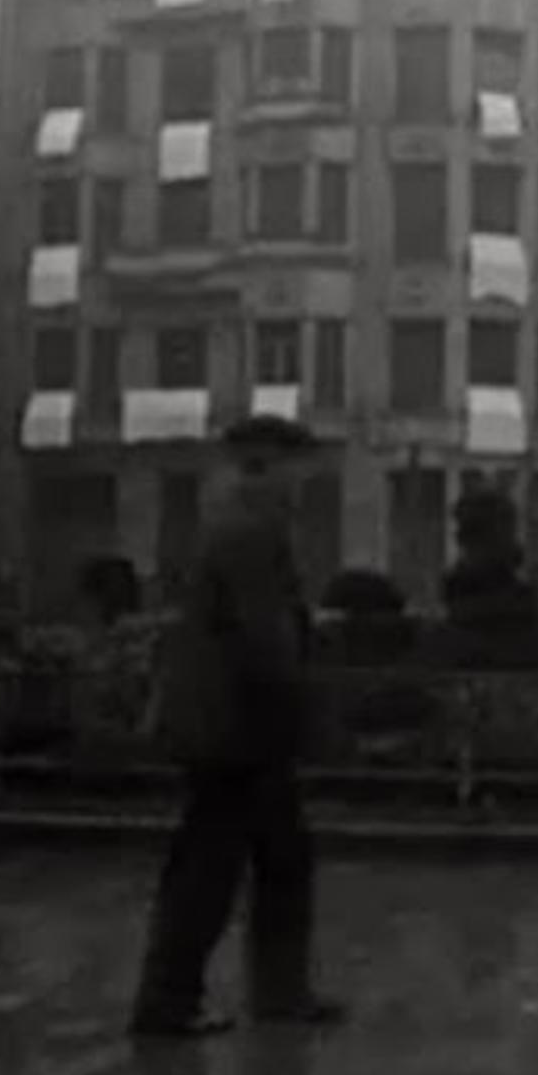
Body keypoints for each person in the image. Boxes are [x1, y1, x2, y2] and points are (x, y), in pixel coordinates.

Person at [129, 413, 344, 1040]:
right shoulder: (250, 531)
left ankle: (274, 994)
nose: (299, 484)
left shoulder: (237, 524)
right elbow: (264, 638)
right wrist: (304, 709)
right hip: (236, 729)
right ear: (264, 468)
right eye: (292, 469)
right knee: (211, 864)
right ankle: (170, 1001)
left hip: (232, 724)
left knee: (277, 857)